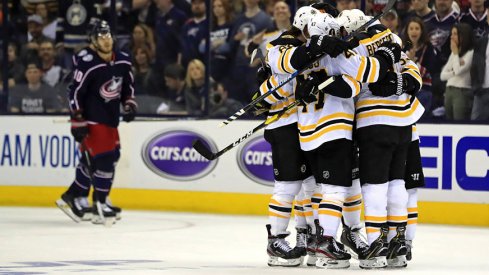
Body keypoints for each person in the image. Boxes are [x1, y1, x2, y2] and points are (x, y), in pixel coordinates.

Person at [337, 8, 424, 269]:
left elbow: (362, 76)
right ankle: (397, 244)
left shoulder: (354, 46)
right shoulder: (393, 38)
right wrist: (399, 84)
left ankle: (375, 245)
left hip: (374, 121)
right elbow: (413, 72)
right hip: (404, 122)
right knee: (397, 182)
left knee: (374, 185)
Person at [55, 20, 137, 227]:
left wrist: (129, 103)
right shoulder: (86, 61)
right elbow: (74, 91)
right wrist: (77, 119)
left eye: (108, 36)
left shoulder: (123, 60)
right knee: (104, 159)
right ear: (93, 41)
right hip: (91, 119)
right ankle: (100, 201)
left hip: (110, 119)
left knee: (108, 157)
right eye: (101, 37)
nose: (106, 40)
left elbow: (127, 86)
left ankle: (74, 195)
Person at [403, 17, 442, 116]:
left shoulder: (428, 49)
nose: (414, 31)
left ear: (421, 31)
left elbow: (430, 71)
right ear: (407, 31)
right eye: (411, 28)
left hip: (423, 89)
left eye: (417, 28)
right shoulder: (403, 49)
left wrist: (412, 63)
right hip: (406, 89)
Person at [441, 23, 475, 120]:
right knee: (449, 122)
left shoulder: (470, 53)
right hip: (448, 90)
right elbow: (442, 75)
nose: (451, 37)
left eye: (455, 34)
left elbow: (458, 71)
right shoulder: (454, 53)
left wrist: (455, 54)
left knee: (459, 122)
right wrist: (453, 72)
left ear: (463, 35)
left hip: (462, 92)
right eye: (451, 34)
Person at [470, 32, 489, 121]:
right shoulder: (481, 42)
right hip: (481, 91)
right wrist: (476, 86)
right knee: (475, 124)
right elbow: (474, 66)